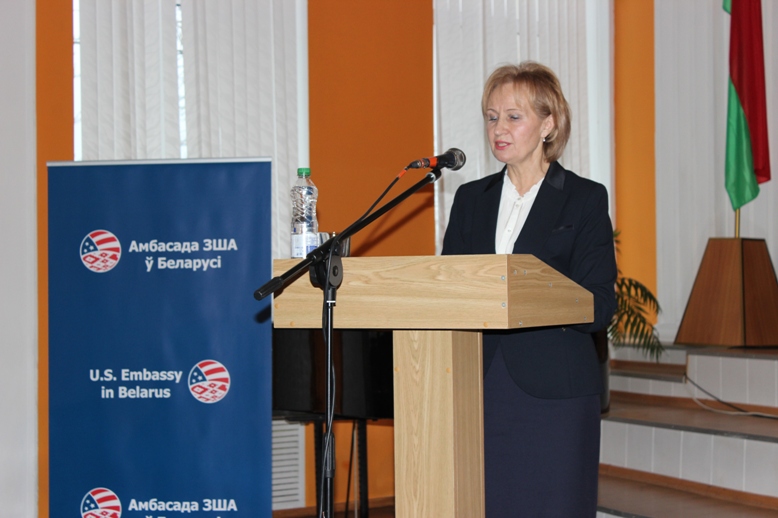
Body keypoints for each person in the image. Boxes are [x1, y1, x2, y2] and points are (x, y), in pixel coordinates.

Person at [442, 62, 617, 517]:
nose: (498, 128)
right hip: (480, 387)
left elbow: (600, 303)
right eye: (491, 117)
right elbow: (449, 291)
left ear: (548, 124)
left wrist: (531, 291)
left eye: (513, 117)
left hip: (555, 393)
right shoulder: (470, 200)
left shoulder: (584, 198)